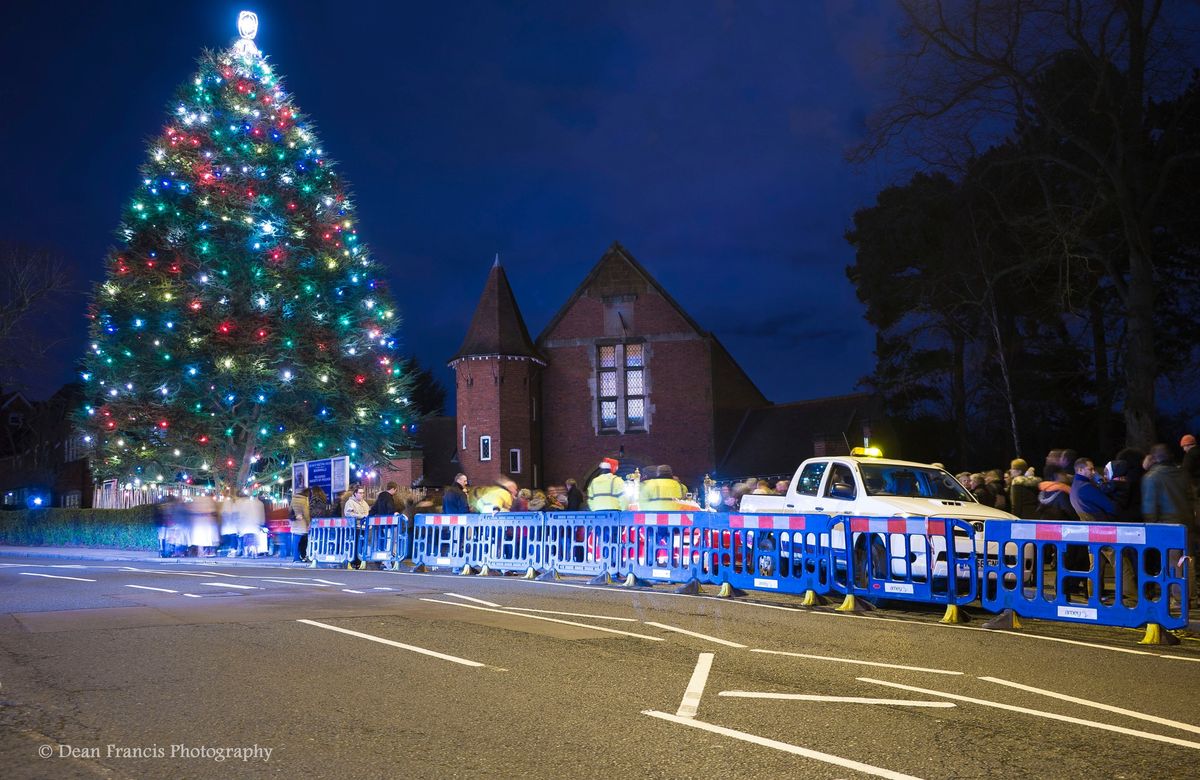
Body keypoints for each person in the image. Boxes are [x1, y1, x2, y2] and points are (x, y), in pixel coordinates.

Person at [1142, 445, 1194, 524]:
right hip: (1186, 524)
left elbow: (1150, 511)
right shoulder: (1183, 474)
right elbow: (1191, 500)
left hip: (1166, 527)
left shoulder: (1151, 477)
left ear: (1152, 459)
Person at [1069, 458, 1116, 522]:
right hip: (1102, 525)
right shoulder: (1085, 487)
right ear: (1080, 470)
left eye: (1094, 469)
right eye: (1090, 469)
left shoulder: (1075, 486)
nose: (1093, 472)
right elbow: (1111, 507)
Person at [289, 487, 311, 562]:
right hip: (302, 524)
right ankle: (303, 556)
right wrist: (308, 523)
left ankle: (296, 558)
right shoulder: (304, 500)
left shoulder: (293, 499)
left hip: (295, 523)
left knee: (295, 542)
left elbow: (290, 510)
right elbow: (306, 513)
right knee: (303, 543)